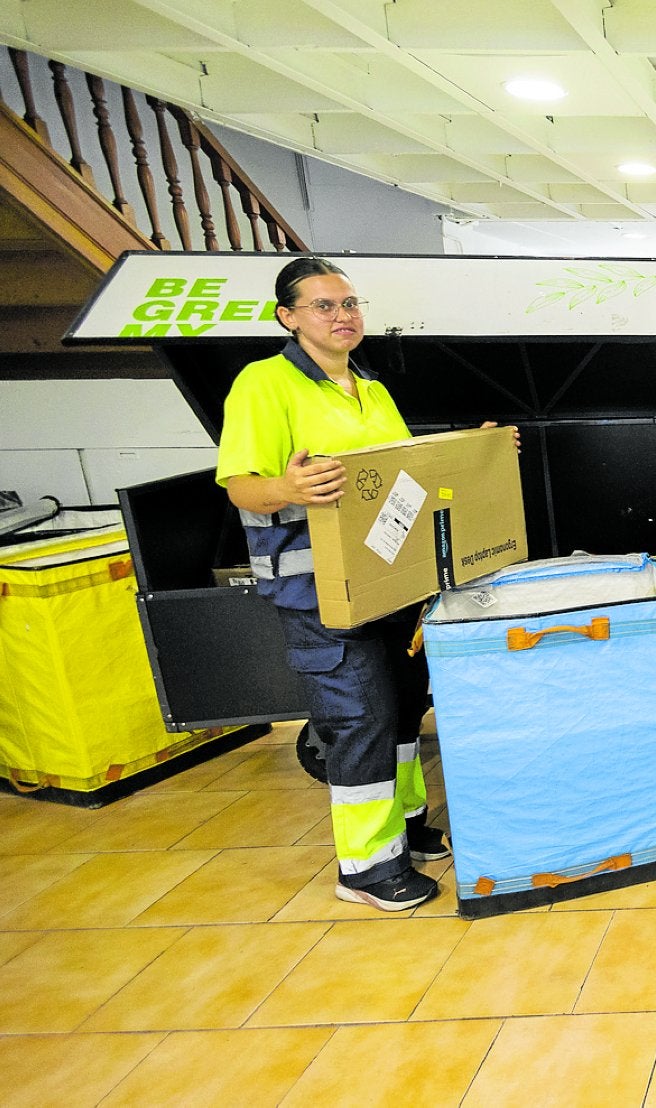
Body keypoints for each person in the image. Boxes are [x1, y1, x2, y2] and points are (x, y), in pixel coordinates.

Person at [216, 256, 511, 910]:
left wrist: (475, 452)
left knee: (404, 708)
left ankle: (403, 828)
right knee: (360, 719)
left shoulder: (370, 389)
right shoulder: (263, 385)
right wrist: (286, 487)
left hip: (387, 584)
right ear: (288, 318)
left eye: (349, 304)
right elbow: (241, 485)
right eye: (324, 306)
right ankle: (368, 869)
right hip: (318, 590)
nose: (343, 316)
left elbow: (408, 477)